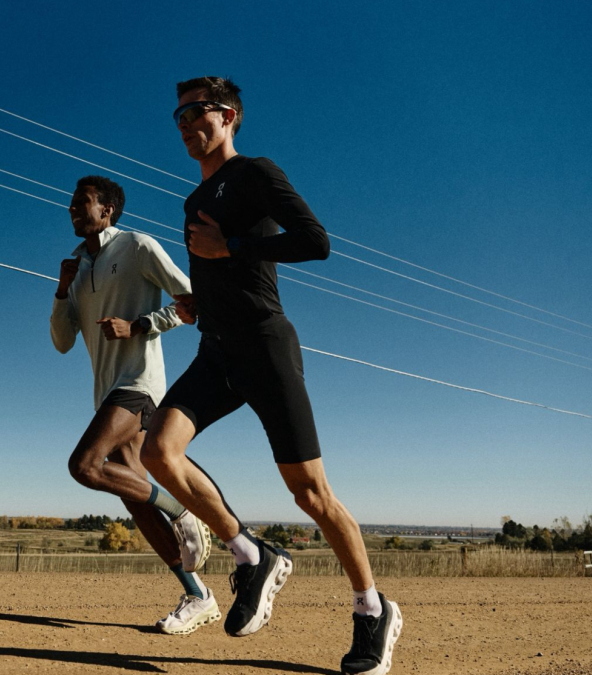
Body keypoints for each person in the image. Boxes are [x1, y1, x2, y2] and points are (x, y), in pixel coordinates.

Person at [139, 77, 402, 675]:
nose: (183, 123)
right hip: (216, 350)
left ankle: (371, 609)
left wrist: (229, 247)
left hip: (264, 345)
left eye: (195, 112)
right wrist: (195, 304)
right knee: (157, 451)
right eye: (177, 116)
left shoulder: (256, 172)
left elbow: (316, 243)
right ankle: (250, 554)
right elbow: (213, 271)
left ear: (228, 115)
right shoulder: (191, 201)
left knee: (310, 493)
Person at [50, 175, 217, 635]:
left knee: (84, 465)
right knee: (132, 497)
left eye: (81, 202)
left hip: (139, 385)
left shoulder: (137, 246)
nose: (72, 209)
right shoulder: (78, 269)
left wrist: (139, 324)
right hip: (106, 393)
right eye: (71, 203)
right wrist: (62, 289)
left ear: (107, 210)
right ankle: (197, 593)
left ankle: (184, 512)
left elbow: (192, 301)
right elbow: (62, 342)